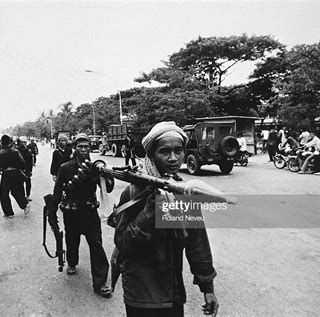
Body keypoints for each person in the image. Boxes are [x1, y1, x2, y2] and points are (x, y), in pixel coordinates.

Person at [112, 121, 218, 317]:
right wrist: (149, 213)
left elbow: (197, 243)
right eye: (164, 151)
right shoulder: (134, 192)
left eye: (178, 151)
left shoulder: (182, 192)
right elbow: (123, 244)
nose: (173, 158)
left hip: (172, 293)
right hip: (140, 296)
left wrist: (208, 288)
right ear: (151, 155)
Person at [48, 133, 111, 298]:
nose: (83, 150)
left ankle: (100, 283)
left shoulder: (95, 167)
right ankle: (72, 262)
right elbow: (57, 192)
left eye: (86, 147)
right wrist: (52, 213)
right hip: (72, 212)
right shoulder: (65, 168)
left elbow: (108, 188)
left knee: (96, 245)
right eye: (80, 147)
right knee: (72, 240)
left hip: (90, 212)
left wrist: (107, 176)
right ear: (75, 148)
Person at [0, 135, 30, 217]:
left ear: (2, 142)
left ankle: (8, 212)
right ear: (10, 142)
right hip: (16, 174)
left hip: (6, 174)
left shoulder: (0, 153)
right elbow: (23, 163)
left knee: (4, 193)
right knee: (15, 191)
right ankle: (24, 204)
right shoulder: (16, 151)